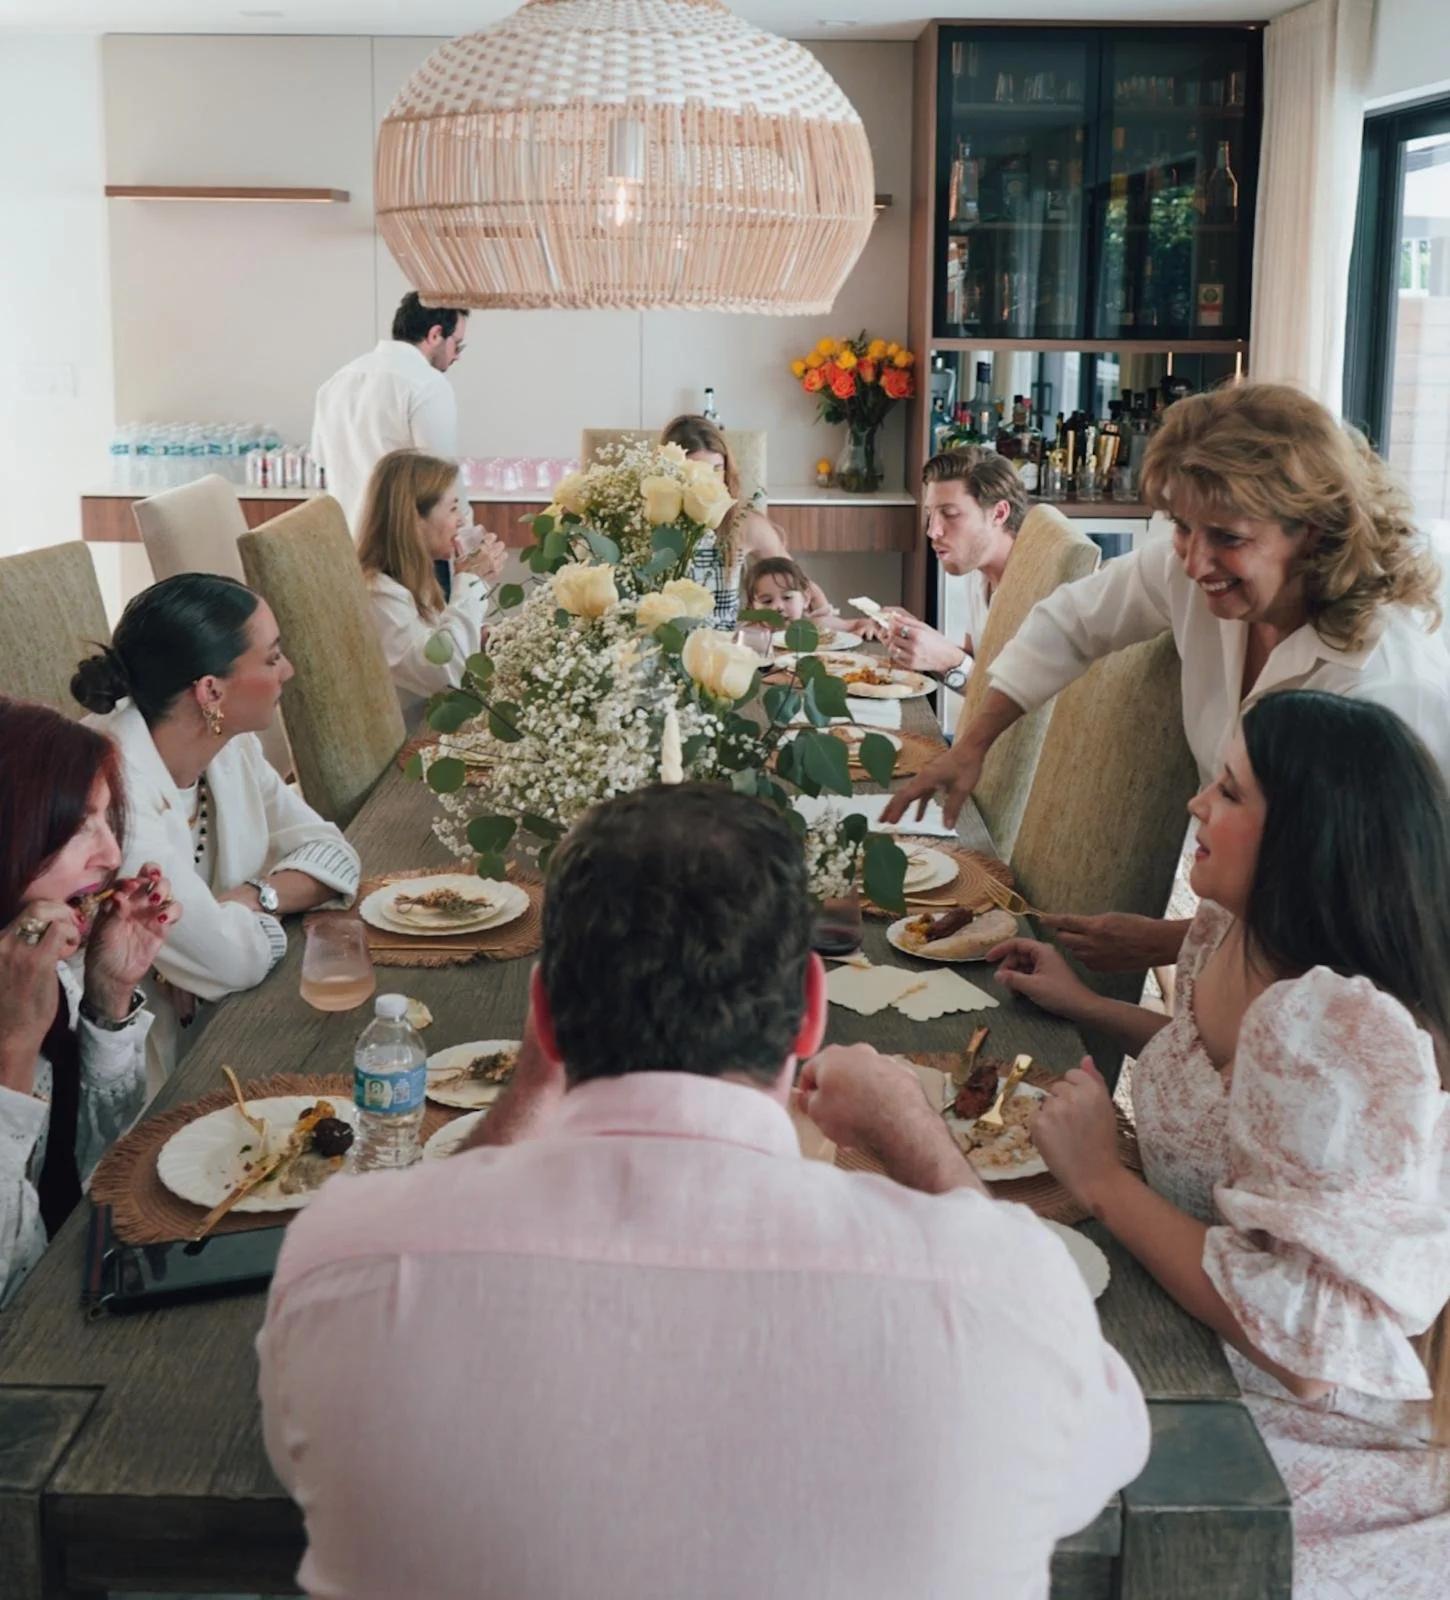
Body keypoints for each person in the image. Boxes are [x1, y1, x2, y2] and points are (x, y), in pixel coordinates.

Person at [258, 784, 1148, 1600]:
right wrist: (923, 1145)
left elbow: (300, 1454)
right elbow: (1107, 1454)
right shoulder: (1006, 1289)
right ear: (811, 1006)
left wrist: (524, 1091)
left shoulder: (344, 1255)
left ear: (542, 1017)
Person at [989, 691, 1450, 1598]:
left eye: (1229, 793)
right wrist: (1086, 1007)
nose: (1198, 803)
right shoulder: (1226, 933)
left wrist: (1101, 1181)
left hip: (1279, 1429)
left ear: (1306, 840)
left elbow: (1306, 1356)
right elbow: (1205, 1074)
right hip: (1179, 1315)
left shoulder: (1329, 1034)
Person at [886, 382, 1450, 972]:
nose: (1194, 562)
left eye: (1227, 537)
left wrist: (1172, 941)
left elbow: (1358, 918)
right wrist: (973, 743)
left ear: (1312, 530)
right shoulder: (1199, 568)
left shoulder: (1382, 687)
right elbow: (1070, 622)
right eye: (1182, 526)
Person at [72, 574, 361, 1090]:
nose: (288, 669)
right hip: (119, 1068)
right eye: (272, 658)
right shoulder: (112, 791)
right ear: (210, 691)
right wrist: (213, 945)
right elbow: (232, 960)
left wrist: (252, 898)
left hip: (212, 1021)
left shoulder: (226, 745)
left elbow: (334, 853)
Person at [0, 699, 176, 1304]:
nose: (110, 856)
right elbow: (12, 1279)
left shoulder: (40, 961)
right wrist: (12, 1053)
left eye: (106, 820)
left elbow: (95, 1175)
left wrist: (108, 995)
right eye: (80, 826)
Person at [356, 449, 507, 723]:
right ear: (414, 519)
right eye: (452, 508)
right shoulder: (378, 592)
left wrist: (479, 637)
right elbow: (446, 674)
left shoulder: (416, 576)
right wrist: (472, 581)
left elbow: (438, 644)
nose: (461, 520)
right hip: (412, 739)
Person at [311, 290, 469, 534]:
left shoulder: (337, 381)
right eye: (457, 344)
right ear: (435, 334)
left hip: (345, 540)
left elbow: (321, 459)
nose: (457, 356)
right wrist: (468, 538)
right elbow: (442, 479)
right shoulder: (427, 384)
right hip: (402, 544)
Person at [877, 444, 1029, 692]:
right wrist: (921, 643)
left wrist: (948, 660)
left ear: (999, 514)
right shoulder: (979, 574)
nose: (932, 531)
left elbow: (1023, 714)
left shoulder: (1034, 592)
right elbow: (977, 665)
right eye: (931, 514)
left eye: (950, 513)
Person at [660, 414, 832, 631]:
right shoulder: (650, 523)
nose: (711, 480)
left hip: (731, 649)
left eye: (717, 469)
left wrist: (833, 624)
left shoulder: (743, 523)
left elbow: (800, 585)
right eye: (698, 470)